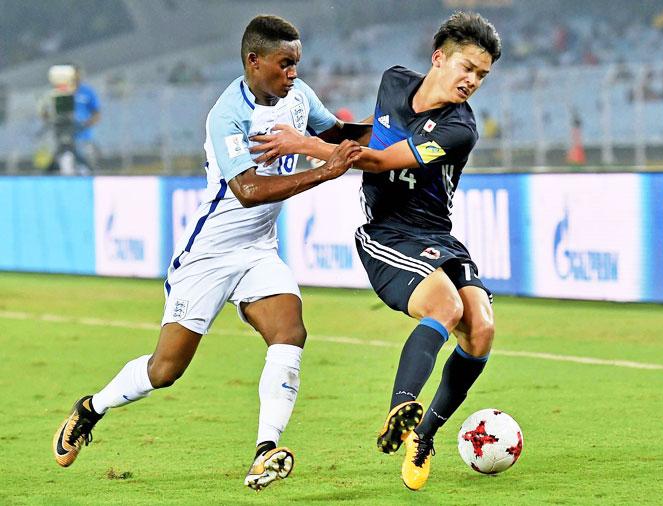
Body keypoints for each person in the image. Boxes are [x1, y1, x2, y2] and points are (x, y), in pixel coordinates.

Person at [52, 15, 362, 491]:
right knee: (165, 370)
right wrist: (325, 172)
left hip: (258, 250)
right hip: (210, 255)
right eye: (284, 64)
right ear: (253, 61)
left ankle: (265, 451)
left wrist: (400, 128)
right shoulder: (227, 114)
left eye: (297, 63)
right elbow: (248, 190)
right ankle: (91, 408)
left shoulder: (299, 98)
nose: (293, 74)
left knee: (290, 331)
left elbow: (340, 135)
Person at [249, 11, 501, 491]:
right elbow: (369, 137)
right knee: (446, 307)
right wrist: (316, 135)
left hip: (436, 234)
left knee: (482, 330)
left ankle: (421, 435)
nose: (472, 81)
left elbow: (382, 160)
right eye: (466, 68)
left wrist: (303, 144)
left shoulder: (459, 128)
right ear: (438, 59)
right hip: (387, 234)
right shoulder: (392, 83)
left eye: (482, 76)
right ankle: (400, 405)